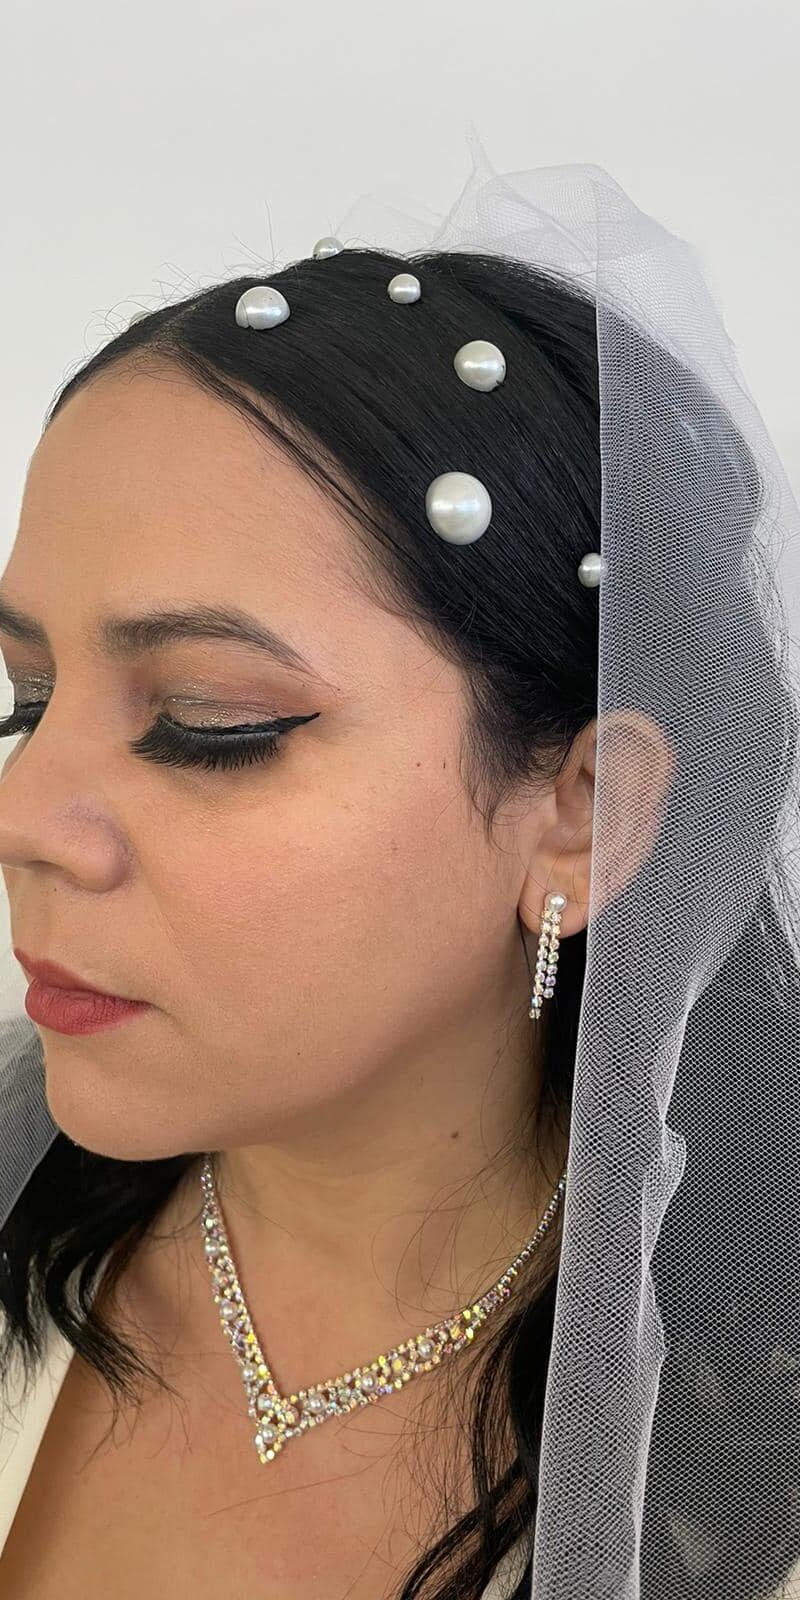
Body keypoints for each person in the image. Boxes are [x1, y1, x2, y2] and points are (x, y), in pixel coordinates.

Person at [0, 149, 798, 1599]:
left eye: (208, 725)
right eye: (24, 700)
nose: (23, 815)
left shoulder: (755, 1482)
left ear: (586, 814)